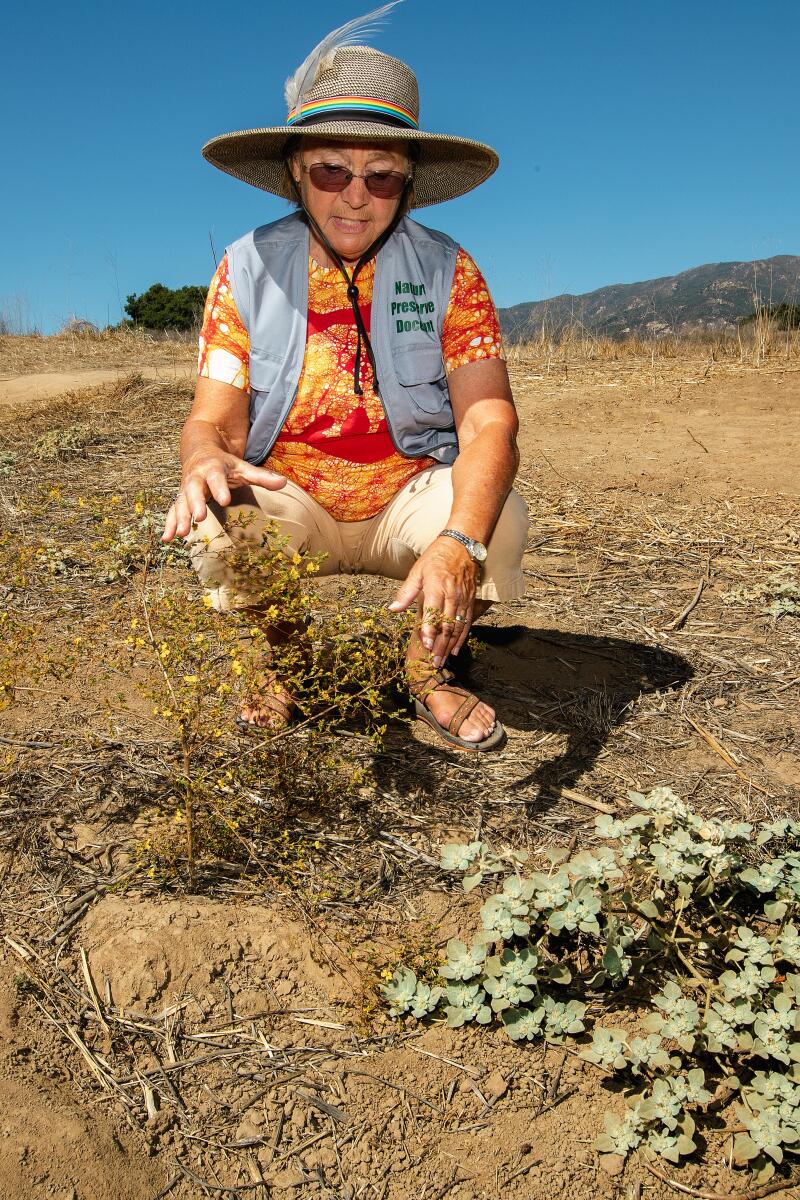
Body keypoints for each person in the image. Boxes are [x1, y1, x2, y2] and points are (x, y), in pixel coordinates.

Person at [162, 7, 528, 752]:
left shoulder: (450, 270)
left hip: (408, 495)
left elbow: (491, 423)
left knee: (502, 519)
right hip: (292, 498)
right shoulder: (245, 268)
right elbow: (213, 424)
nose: (355, 194)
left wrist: (458, 539)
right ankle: (291, 663)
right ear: (297, 172)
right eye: (332, 169)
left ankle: (427, 670)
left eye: (382, 175)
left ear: (409, 182)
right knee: (222, 528)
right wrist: (202, 459)